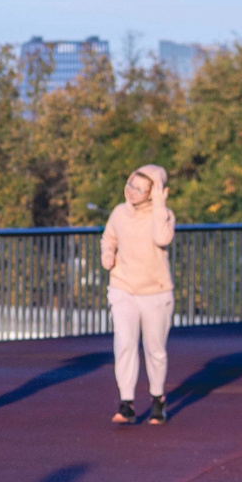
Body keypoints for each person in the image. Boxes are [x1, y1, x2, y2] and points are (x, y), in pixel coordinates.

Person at [103, 164, 177, 424]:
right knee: (124, 344)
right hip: (123, 287)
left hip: (155, 292)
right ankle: (127, 402)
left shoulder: (164, 215)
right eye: (130, 185)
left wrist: (159, 204)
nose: (131, 191)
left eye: (139, 189)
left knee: (155, 348)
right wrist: (108, 253)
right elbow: (109, 237)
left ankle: (157, 398)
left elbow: (162, 238)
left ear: (153, 192)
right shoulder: (119, 213)